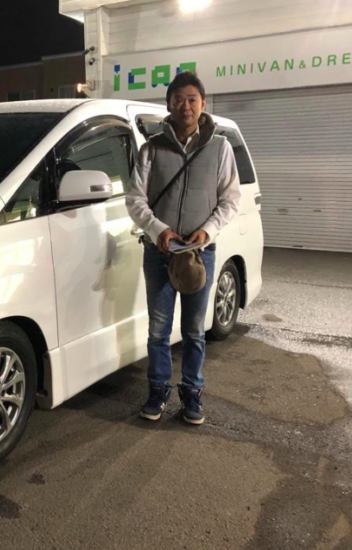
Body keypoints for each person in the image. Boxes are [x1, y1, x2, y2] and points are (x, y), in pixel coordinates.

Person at [125, 71, 241, 425]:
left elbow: (230, 200)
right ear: (169, 105)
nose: (185, 106)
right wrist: (157, 229)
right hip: (159, 253)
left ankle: (192, 391)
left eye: (192, 99)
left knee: (194, 330)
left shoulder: (219, 148)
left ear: (203, 104)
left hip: (199, 254)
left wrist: (207, 231)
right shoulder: (151, 148)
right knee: (158, 330)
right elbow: (135, 198)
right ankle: (158, 389)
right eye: (178, 100)